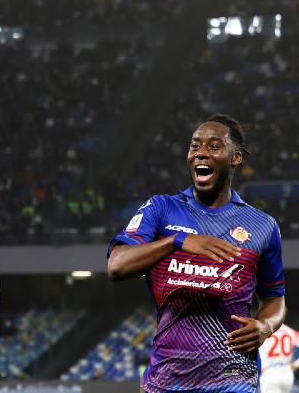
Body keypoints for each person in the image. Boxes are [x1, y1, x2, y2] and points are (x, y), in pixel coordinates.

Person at [107, 114, 286, 393]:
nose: (201, 152)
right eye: (194, 146)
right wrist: (176, 241)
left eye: (214, 146)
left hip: (234, 377)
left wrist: (265, 326)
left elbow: (274, 298)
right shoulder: (161, 209)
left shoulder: (262, 226)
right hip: (167, 379)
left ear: (236, 158)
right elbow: (116, 266)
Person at [258, 324, 299, 393]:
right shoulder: (289, 331)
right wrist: (296, 365)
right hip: (287, 372)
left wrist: (258, 366)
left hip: (269, 371)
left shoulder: (262, 330)